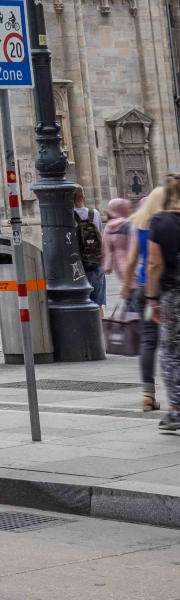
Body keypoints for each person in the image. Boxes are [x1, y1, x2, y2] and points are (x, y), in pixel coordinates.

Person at [123, 183, 166, 413]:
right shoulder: (169, 224)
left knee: (148, 341)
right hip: (165, 288)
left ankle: (148, 394)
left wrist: (125, 286)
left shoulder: (138, 225)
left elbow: (131, 260)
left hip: (142, 287)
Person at [144, 174, 180, 435]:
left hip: (173, 295)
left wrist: (151, 298)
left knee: (171, 352)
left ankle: (177, 411)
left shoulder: (161, 221)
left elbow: (154, 264)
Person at [73, 186, 107, 309]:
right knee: (98, 300)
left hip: (81, 264)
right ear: (84, 197)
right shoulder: (95, 213)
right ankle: (100, 323)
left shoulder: (71, 216)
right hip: (98, 261)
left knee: (84, 300)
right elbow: (99, 232)